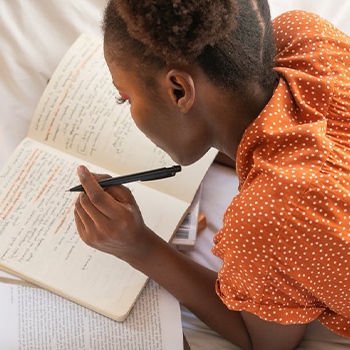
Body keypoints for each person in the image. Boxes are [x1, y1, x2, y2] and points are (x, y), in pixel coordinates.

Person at [73, 1, 350, 349]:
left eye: (125, 98)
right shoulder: (306, 35)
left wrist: (138, 246)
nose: (130, 111)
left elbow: (263, 340)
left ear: (179, 90)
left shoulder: (265, 219)